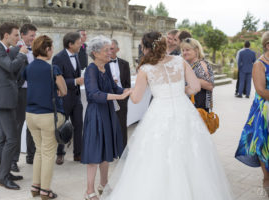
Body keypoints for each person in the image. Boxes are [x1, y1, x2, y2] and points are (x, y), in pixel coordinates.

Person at [100, 32, 233, 200]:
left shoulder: (145, 69)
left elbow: (136, 99)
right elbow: (195, 87)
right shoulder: (180, 61)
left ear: (147, 48)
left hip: (159, 112)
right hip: (183, 109)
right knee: (191, 152)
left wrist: (130, 91)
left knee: (157, 155)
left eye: (142, 46)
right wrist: (178, 91)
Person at [81, 35, 131, 200]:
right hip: (96, 114)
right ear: (95, 53)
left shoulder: (106, 68)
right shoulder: (91, 70)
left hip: (108, 113)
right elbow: (93, 95)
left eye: (110, 49)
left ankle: (103, 184)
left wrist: (125, 91)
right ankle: (89, 191)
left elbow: (113, 87)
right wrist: (118, 97)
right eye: (107, 50)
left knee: (106, 150)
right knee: (95, 152)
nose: (110, 52)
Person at [24, 35, 67, 199]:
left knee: (39, 151)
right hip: (47, 115)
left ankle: (36, 186)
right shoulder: (52, 68)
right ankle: (45, 190)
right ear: (47, 49)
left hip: (30, 115)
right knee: (49, 153)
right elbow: (63, 91)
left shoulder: (28, 68)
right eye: (51, 48)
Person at [0, 22, 28, 190]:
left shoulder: (5, 51)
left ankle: (2, 173)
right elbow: (11, 66)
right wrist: (22, 54)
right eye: (16, 35)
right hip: (3, 100)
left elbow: (12, 72)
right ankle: (4, 177)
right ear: (6, 35)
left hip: (8, 98)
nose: (19, 39)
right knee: (11, 139)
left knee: (3, 138)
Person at [235, 31, 269, 190]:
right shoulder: (259, 64)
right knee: (264, 147)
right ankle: (267, 182)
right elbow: (261, 91)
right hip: (265, 112)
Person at [9, 23, 37, 172]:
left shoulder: (36, 50)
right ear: (23, 35)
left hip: (34, 92)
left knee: (32, 124)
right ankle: (13, 160)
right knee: (18, 126)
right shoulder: (14, 50)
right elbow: (11, 70)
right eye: (32, 35)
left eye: (35, 35)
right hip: (20, 92)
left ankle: (31, 156)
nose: (34, 38)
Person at [53, 32, 84, 164]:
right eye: (78, 43)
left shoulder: (76, 56)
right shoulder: (58, 58)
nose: (81, 45)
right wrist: (75, 81)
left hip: (76, 98)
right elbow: (57, 79)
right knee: (61, 126)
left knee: (78, 125)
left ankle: (78, 154)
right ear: (70, 44)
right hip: (64, 98)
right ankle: (60, 153)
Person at [181, 38, 214, 112]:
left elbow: (210, 86)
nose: (184, 52)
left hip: (199, 106)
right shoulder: (188, 64)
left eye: (187, 50)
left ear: (196, 50)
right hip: (190, 105)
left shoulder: (201, 64)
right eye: (183, 50)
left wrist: (191, 78)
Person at [109, 39, 131, 147]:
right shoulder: (102, 64)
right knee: (109, 124)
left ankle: (123, 149)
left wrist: (125, 97)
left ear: (117, 49)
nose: (110, 51)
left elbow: (127, 83)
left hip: (121, 97)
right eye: (108, 48)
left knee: (122, 124)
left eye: (112, 48)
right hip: (107, 98)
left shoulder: (125, 64)